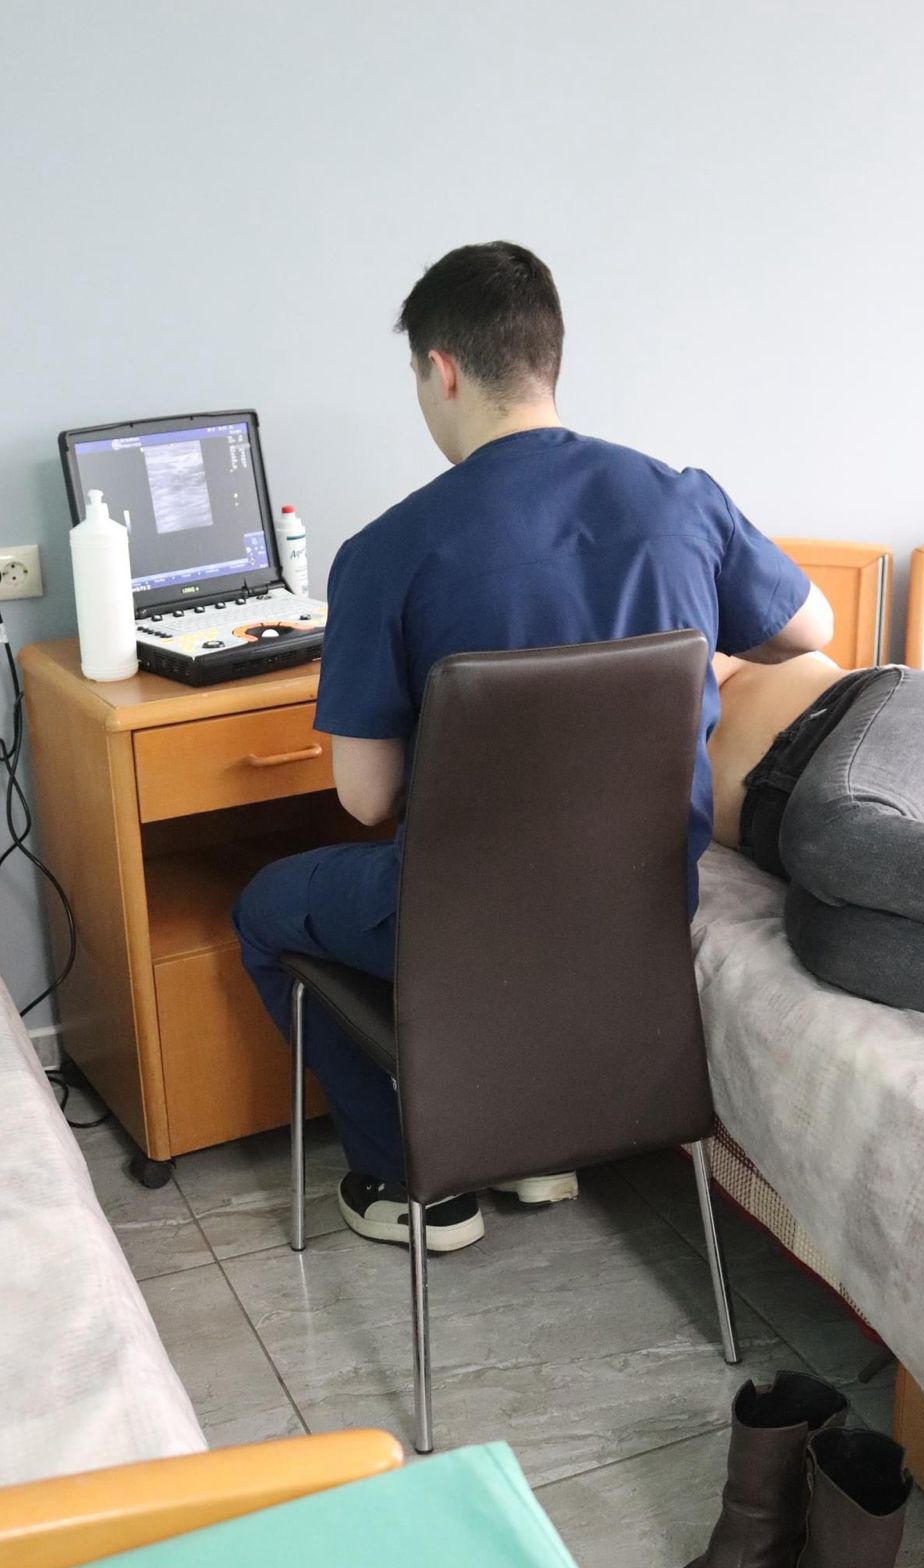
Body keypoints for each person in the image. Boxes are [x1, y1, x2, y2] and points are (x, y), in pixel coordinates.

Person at [234, 240, 832, 1253]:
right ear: (548, 358)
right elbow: (811, 628)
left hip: (468, 925)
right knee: (503, 912)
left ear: (442, 370)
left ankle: (408, 1182)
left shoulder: (386, 551)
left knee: (266, 906)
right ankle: (527, 1135)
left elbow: (367, 797)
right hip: (644, 909)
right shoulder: (680, 500)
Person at [707, 648, 924, 1041]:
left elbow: (689, 677)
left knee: (837, 829)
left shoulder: (678, 639)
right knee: (830, 938)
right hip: (854, 843)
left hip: (889, 719)